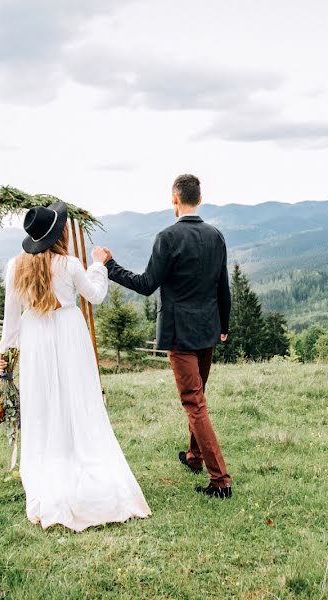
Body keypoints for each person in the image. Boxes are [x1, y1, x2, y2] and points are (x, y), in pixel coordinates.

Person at [0, 200, 151, 530]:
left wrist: (6, 358)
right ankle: (84, 463)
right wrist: (98, 265)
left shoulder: (14, 267)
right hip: (69, 336)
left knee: (44, 405)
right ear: (59, 234)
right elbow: (95, 295)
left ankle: (52, 467)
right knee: (79, 400)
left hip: (35, 337)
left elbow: (11, 321)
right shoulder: (70, 264)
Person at [95, 174, 233, 498]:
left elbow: (146, 285)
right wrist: (223, 326)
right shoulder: (216, 236)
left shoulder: (167, 237)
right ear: (199, 198)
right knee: (198, 398)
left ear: (174, 200)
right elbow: (222, 288)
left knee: (194, 403)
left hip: (180, 334)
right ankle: (194, 457)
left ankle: (221, 481)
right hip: (208, 330)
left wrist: (109, 265)